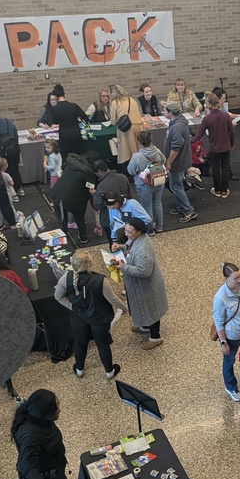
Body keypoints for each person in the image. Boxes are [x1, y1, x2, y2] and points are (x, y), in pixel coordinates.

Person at [54, 252, 127, 381]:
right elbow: (113, 299)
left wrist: (73, 307)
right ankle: (109, 371)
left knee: (80, 343)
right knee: (102, 344)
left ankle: (79, 369)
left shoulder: (66, 279)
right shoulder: (101, 281)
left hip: (78, 319)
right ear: (89, 264)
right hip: (99, 318)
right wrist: (124, 308)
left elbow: (58, 296)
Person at [109, 219, 168, 351]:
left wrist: (124, 267)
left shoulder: (143, 250)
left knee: (151, 310)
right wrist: (121, 247)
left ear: (139, 231)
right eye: (125, 230)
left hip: (148, 286)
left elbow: (144, 271)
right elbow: (130, 248)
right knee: (145, 309)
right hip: (140, 286)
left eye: (129, 232)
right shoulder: (138, 239)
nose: (126, 234)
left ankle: (155, 337)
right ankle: (144, 325)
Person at [11, 388, 70, 479]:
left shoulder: (39, 419)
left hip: (54, 471)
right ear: (44, 413)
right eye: (55, 409)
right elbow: (28, 468)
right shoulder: (31, 435)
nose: (59, 410)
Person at [213, 262, 240, 402]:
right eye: (235, 278)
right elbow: (218, 322)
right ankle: (231, 386)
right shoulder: (220, 297)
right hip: (231, 336)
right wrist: (223, 342)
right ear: (226, 279)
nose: (239, 281)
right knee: (229, 361)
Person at [193, 92, 235, 198]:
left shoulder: (207, 118)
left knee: (216, 169)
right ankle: (224, 190)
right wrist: (232, 144)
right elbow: (232, 132)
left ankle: (217, 189)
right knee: (225, 168)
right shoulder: (225, 116)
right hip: (226, 147)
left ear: (207, 104)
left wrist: (187, 141)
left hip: (214, 148)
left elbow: (199, 135)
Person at [161, 103, 198, 224]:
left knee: (176, 186)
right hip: (181, 161)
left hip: (177, 162)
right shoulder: (178, 123)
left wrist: (169, 163)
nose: (163, 112)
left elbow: (176, 148)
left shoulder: (177, 127)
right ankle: (181, 207)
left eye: (165, 111)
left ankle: (188, 211)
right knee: (177, 185)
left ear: (171, 113)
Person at [127, 130, 168, 234]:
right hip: (158, 181)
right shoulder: (157, 151)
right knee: (158, 203)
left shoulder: (137, 156)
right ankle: (159, 226)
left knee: (147, 207)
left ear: (139, 143)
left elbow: (130, 170)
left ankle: (150, 230)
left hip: (143, 185)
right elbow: (164, 160)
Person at [52, 151, 97, 244]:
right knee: (79, 217)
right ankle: (83, 236)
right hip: (77, 198)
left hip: (59, 194)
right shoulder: (88, 174)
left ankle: (63, 236)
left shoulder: (71, 165)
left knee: (61, 217)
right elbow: (91, 187)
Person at [93, 163, 135, 241]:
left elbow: (99, 205)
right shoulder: (123, 177)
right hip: (126, 213)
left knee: (114, 242)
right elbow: (129, 194)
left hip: (109, 218)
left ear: (99, 172)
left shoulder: (102, 185)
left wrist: (94, 194)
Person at [107, 84, 143, 168]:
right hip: (140, 127)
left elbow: (113, 121)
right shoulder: (131, 99)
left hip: (127, 129)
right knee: (139, 150)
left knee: (127, 152)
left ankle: (129, 172)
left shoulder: (115, 102)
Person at [49, 94, 87, 159]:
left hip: (64, 135)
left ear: (56, 97)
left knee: (66, 157)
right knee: (79, 156)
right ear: (65, 95)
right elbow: (85, 118)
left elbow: (55, 122)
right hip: (76, 134)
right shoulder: (74, 106)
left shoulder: (54, 109)